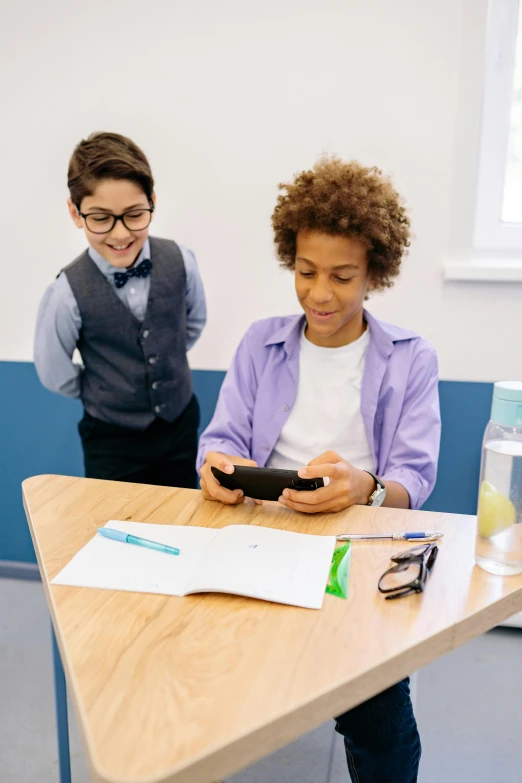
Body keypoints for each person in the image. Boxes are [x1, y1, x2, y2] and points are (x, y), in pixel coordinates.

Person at [197, 156, 441, 782]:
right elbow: (220, 438)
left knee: (379, 715)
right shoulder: (261, 342)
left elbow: (412, 477)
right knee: (201, 675)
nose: (320, 293)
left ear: (374, 274)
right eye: (306, 272)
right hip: (262, 533)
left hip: (357, 546)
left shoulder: (410, 360)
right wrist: (217, 465)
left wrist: (368, 487)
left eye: (342, 275)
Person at [34, 132, 206, 488]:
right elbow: (54, 371)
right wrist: (104, 388)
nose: (120, 233)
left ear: (153, 203)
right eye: (101, 218)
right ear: (75, 212)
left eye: (134, 214)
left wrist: (166, 358)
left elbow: (192, 324)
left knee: (184, 520)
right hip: (111, 440)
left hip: (180, 423)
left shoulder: (181, 260)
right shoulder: (66, 293)